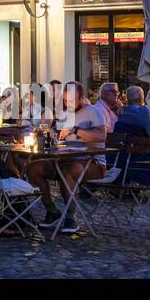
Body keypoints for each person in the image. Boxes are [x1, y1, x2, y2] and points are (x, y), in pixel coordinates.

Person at [25, 81, 106, 234]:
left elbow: (101, 136)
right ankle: (52, 211)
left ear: (81, 97)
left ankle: (70, 217)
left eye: (72, 101)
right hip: (64, 159)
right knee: (34, 168)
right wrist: (50, 132)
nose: (68, 104)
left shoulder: (94, 112)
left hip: (92, 163)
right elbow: (52, 130)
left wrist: (76, 130)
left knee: (69, 170)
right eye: (65, 100)